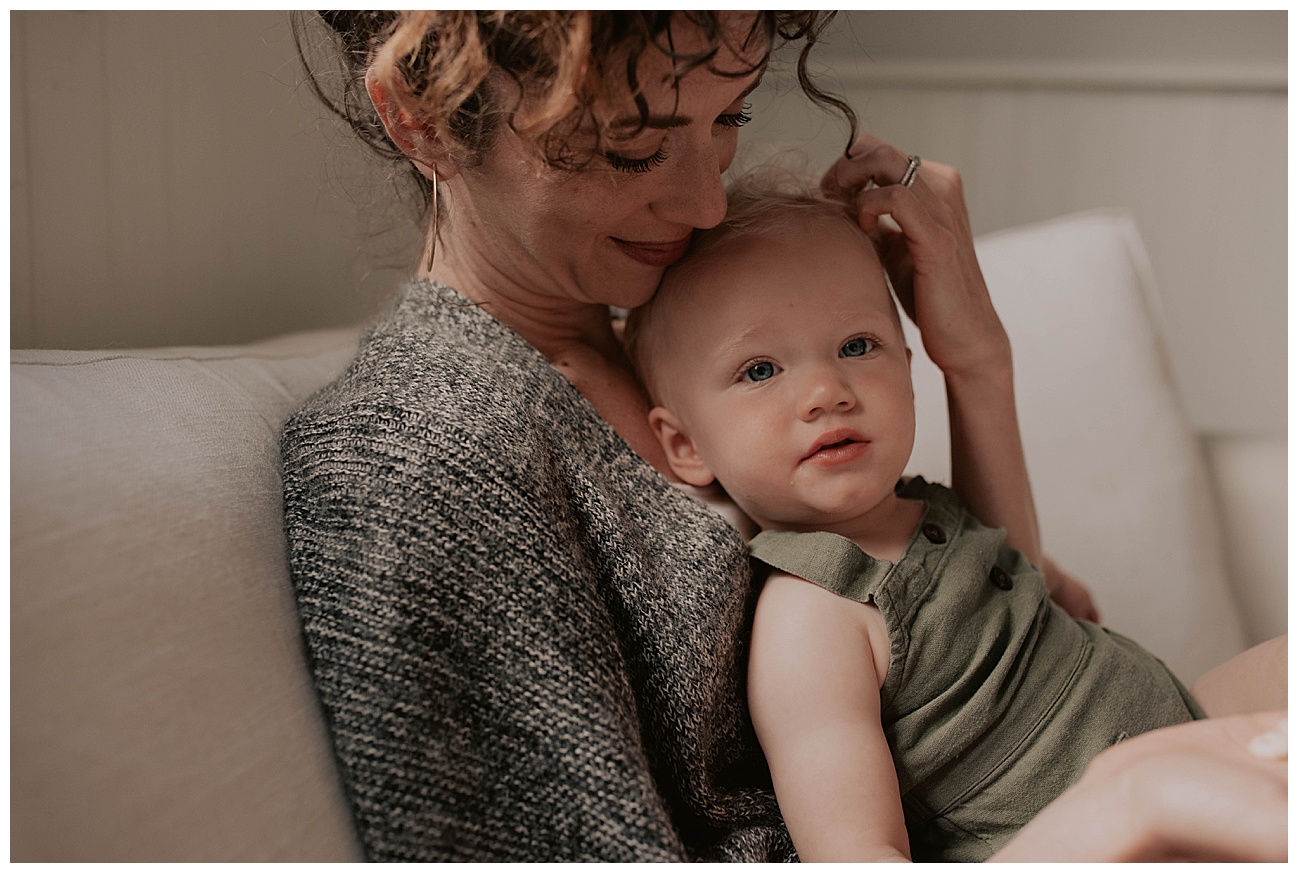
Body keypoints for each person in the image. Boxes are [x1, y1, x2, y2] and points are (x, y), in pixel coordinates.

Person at [282, 11, 1285, 862]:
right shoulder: (417, 464)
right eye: (632, 145)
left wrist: (974, 359)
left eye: (727, 119)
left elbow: (994, 615)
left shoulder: (693, 323)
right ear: (422, 121)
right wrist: (1127, 802)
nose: (704, 200)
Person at [624, 170, 1286, 861]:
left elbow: (1015, 572)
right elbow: (858, 853)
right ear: (685, 445)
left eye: (857, 346)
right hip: (1096, 832)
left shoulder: (929, 509)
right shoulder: (810, 619)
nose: (827, 390)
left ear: (909, 367)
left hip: (1184, 718)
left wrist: (1042, 586)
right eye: (759, 370)